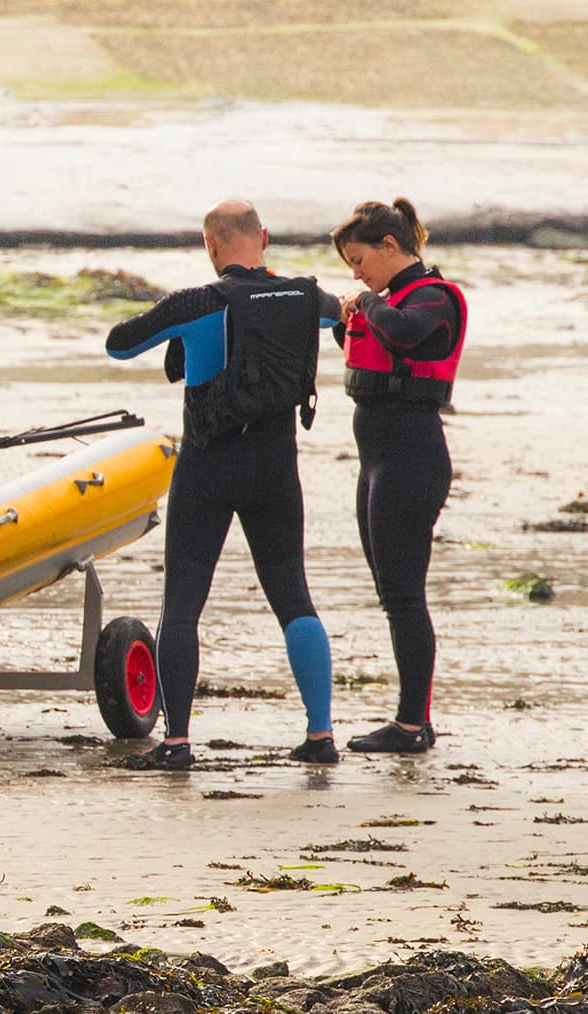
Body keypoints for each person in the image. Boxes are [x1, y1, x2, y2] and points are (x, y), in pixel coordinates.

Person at [105, 199, 340, 768]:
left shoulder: (201, 301)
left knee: (183, 605)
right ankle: (321, 734)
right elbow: (345, 315)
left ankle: (179, 741)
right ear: (265, 236)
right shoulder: (310, 298)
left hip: (209, 465)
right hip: (277, 467)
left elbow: (119, 342)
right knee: (293, 597)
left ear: (210, 246)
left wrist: (175, 329)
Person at [331, 198, 467, 754]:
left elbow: (405, 335)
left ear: (390, 246)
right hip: (378, 462)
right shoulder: (387, 301)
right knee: (393, 594)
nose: (357, 274)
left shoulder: (433, 298)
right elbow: (368, 347)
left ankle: (412, 726)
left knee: (405, 597)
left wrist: (365, 301)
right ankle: (415, 720)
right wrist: (351, 316)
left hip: (412, 460)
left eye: (360, 260)